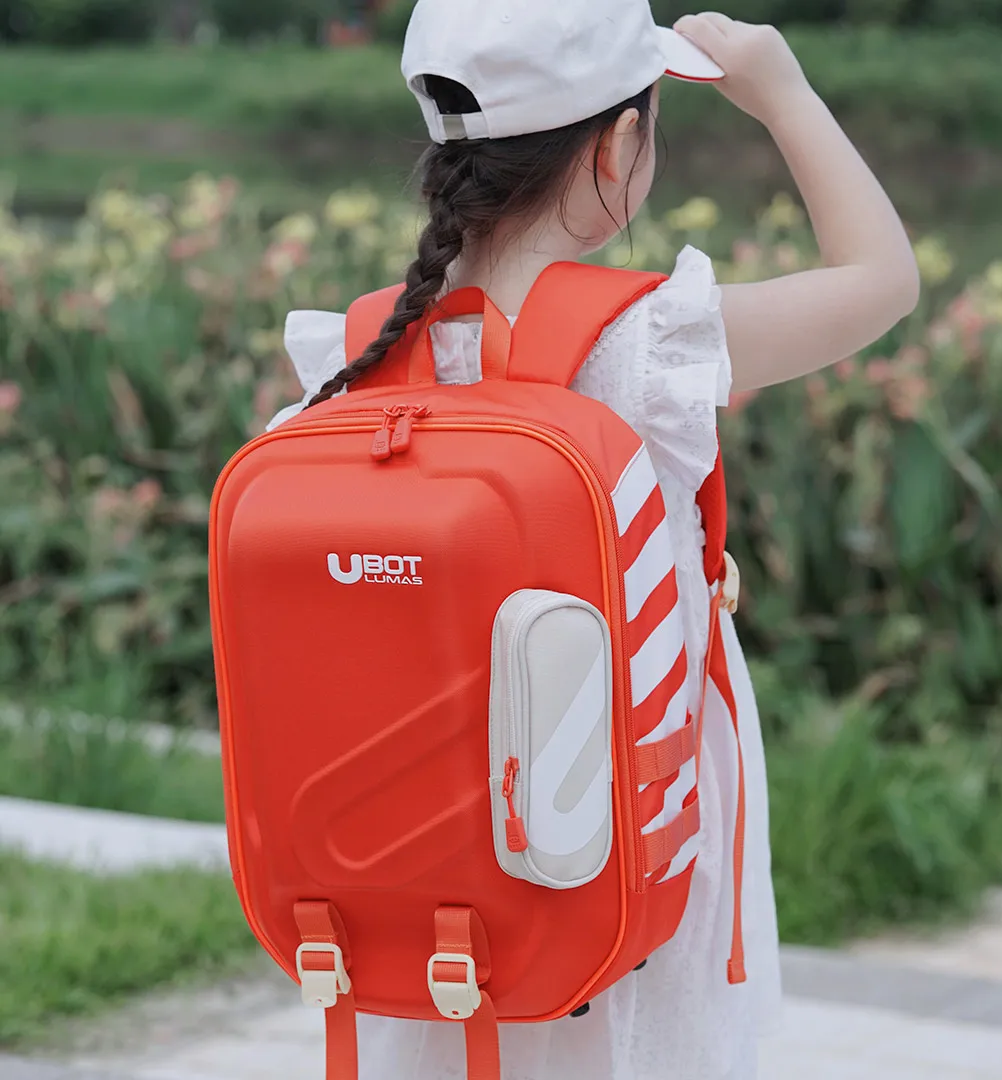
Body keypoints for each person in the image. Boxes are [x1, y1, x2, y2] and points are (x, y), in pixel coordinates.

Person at [270, 4, 920, 1078]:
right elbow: (883, 281)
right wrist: (783, 94)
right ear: (619, 148)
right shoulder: (645, 343)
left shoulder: (356, 355)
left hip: (419, 863)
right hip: (612, 846)